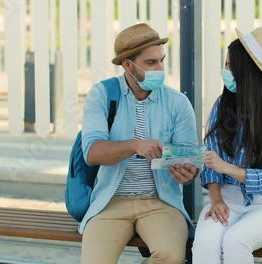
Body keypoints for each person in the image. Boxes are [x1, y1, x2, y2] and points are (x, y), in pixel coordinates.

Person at [79, 23, 199, 264]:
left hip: (160, 202)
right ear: (127, 65)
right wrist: (135, 145)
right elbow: (92, 153)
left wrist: (188, 173)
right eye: (151, 63)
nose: (160, 69)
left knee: (170, 257)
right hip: (111, 201)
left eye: (161, 61)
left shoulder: (178, 103)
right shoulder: (102, 95)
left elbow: (191, 161)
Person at [192, 27, 262, 264]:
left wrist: (227, 168)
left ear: (248, 73)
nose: (226, 71)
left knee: (235, 241)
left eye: (231, 66)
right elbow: (211, 162)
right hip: (224, 199)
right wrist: (216, 199)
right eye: (226, 64)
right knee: (205, 243)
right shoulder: (223, 106)